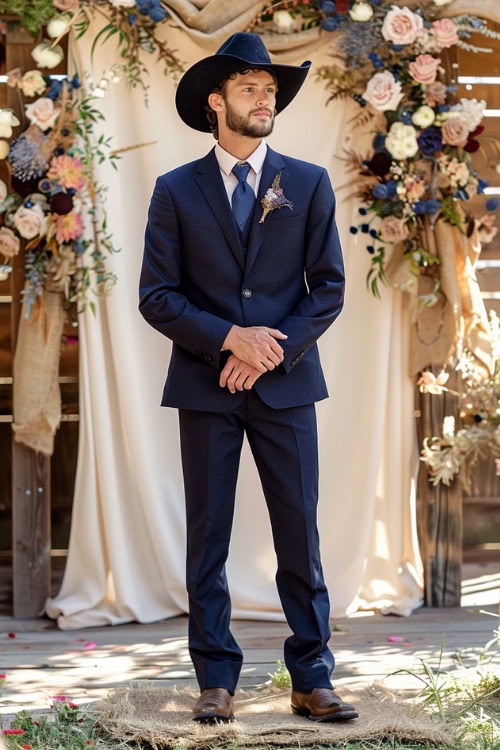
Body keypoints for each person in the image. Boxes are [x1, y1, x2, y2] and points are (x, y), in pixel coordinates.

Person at [138, 31, 357, 725]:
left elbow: (326, 290)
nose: (265, 99)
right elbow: (158, 296)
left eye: (271, 90)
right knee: (209, 533)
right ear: (215, 102)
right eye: (250, 89)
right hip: (206, 387)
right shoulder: (175, 191)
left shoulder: (308, 182)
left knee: (300, 531)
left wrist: (266, 348)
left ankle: (312, 676)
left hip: (287, 385)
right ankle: (216, 678)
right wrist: (230, 338)